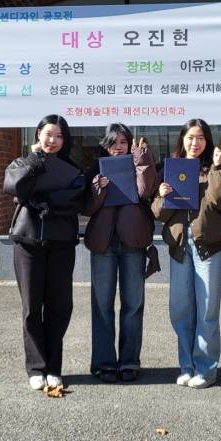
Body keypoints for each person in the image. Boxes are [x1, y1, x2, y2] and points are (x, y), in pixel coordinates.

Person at [151, 118, 221, 389]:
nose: (195, 143)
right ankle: (186, 366)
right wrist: (163, 195)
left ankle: (206, 369)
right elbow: (158, 213)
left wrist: (219, 167)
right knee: (180, 309)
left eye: (200, 138)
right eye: (190, 137)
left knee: (207, 310)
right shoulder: (171, 169)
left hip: (208, 247)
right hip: (180, 247)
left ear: (207, 141)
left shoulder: (216, 169)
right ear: (182, 140)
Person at [3, 114, 86, 391]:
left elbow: (78, 199)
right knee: (31, 307)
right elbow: (14, 187)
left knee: (60, 306)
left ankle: (54, 368)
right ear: (38, 133)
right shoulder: (22, 163)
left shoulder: (72, 169)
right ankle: (36, 367)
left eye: (59, 136)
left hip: (61, 243)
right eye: (48, 134)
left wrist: (46, 201)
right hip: (28, 243)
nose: (53, 140)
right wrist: (36, 162)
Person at [83, 123, 159, 383]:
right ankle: (104, 363)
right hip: (103, 244)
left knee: (133, 304)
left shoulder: (139, 164)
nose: (118, 147)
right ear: (106, 145)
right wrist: (97, 189)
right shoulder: (96, 169)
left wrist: (142, 160)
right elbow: (86, 208)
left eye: (123, 142)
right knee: (102, 305)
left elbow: (146, 191)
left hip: (133, 243)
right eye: (113, 142)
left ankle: (129, 361)